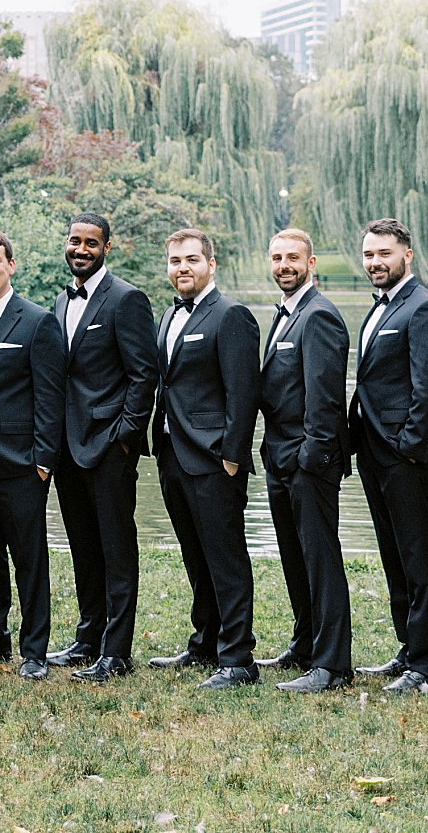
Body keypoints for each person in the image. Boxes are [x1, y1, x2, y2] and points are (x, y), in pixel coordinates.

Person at [147, 228, 262, 691]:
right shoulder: (168, 317)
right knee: (196, 556)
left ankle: (238, 659)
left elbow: (243, 393)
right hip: (173, 453)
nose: (183, 268)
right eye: (175, 261)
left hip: (215, 460)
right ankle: (205, 642)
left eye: (192, 260)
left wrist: (232, 457)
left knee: (226, 558)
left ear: (211, 264)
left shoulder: (231, 315)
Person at [47, 212, 159, 683]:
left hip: (109, 446)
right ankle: (87, 637)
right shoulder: (59, 301)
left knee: (116, 548)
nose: (81, 250)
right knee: (83, 546)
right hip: (67, 447)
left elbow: (143, 374)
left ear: (107, 248)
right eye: (75, 241)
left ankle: (117, 651)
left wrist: (125, 438)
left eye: (91, 243)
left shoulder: (127, 299)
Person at [349, 218, 428, 696]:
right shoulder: (379, 308)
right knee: (393, 554)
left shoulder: (426, 308)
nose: (375, 262)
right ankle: (409, 647)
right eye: (370, 254)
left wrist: (410, 451)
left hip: (404, 455)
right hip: (373, 452)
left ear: (406, 255)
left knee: (417, 555)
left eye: (384, 254)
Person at [0, 230, 65, 681]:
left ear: (11, 265)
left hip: (21, 461)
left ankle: (35, 650)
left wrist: (43, 459)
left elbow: (50, 395)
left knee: (29, 557)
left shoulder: (37, 321)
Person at [253, 228, 353, 694]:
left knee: (320, 559)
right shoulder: (286, 314)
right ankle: (305, 644)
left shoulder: (319, 316)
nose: (283, 266)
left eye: (293, 258)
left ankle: (332, 665)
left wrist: (311, 457)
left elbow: (325, 397)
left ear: (311, 263)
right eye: (276, 258)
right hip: (279, 458)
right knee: (294, 557)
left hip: (308, 462)